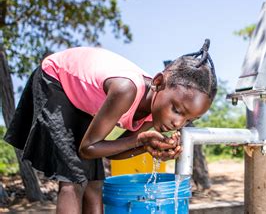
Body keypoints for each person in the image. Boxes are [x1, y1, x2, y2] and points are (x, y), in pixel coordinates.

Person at [4, 39, 217, 213]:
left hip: (82, 99)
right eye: (177, 110)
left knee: (95, 184)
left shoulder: (154, 114)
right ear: (159, 82)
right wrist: (139, 140)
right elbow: (88, 148)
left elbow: (109, 152)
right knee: (72, 181)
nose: (178, 123)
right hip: (56, 79)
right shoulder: (126, 89)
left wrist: (146, 147)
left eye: (188, 120)